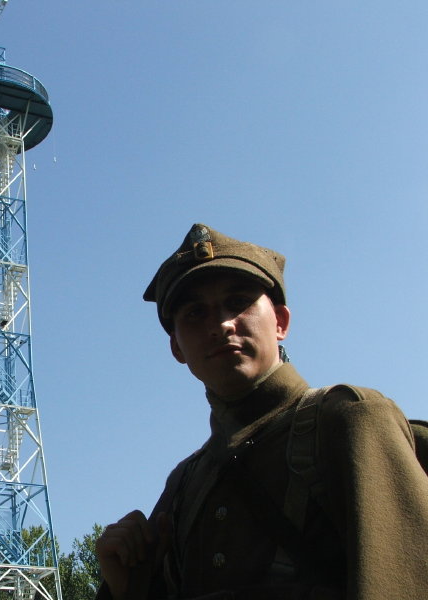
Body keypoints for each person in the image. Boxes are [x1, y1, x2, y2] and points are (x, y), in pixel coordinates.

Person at [94, 224, 428, 600]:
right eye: (195, 313)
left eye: (238, 302)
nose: (221, 324)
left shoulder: (350, 418)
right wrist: (126, 586)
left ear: (280, 322)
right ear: (177, 349)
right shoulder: (184, 482)